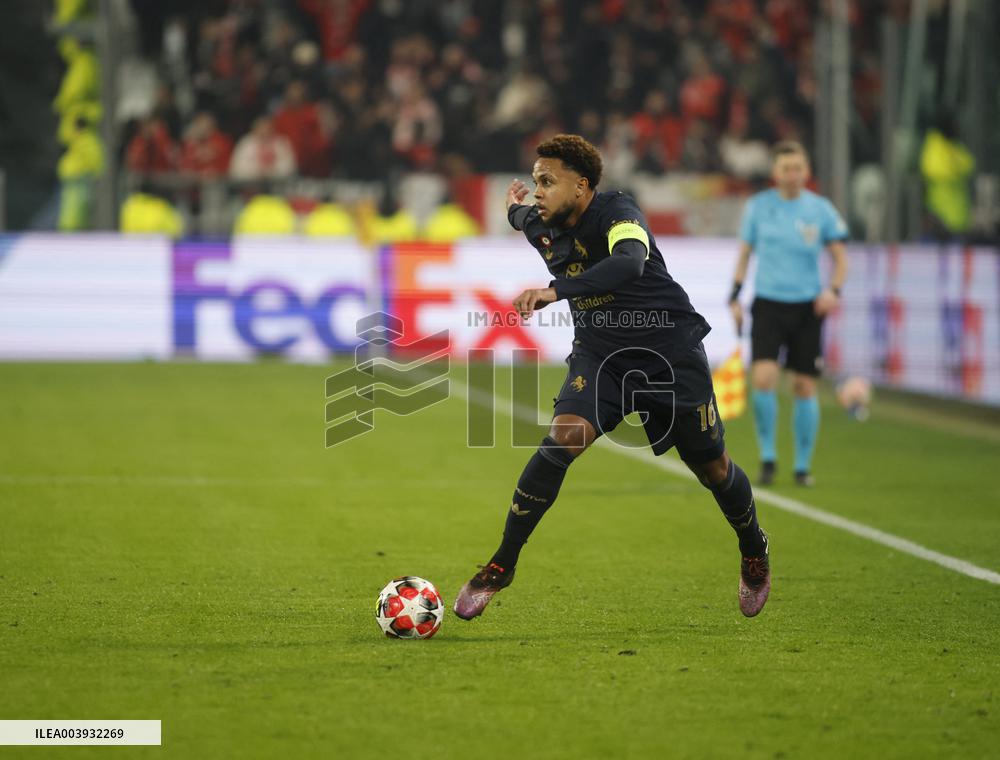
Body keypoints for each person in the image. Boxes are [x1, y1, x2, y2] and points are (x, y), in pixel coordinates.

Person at [454, 134, 770, 621]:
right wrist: (513, 207)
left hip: (669, 352)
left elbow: (628, 263)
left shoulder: (619, 213)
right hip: (602, 357)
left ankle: (753, 550)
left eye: (548, 181)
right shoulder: (538, 222)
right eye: (534, 182)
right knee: (559, 442)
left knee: (712, 468)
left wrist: (555, 290)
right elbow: (521, 216)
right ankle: (502, 564)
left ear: (582, 186)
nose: (538, 191)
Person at [728, 141, 848, 487]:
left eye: (798, 168)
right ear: (775, 173)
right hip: (768, 303)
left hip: (807, 307)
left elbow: (841, 259)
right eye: (786, 168)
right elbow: (745, 254)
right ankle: (768, 457)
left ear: (806, 172)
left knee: (803, 385)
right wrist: (735, 295)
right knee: (764, 378)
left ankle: (802, 466)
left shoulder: (820, 210)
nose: (792, 174)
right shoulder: (759, 207)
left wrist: (833, 291)